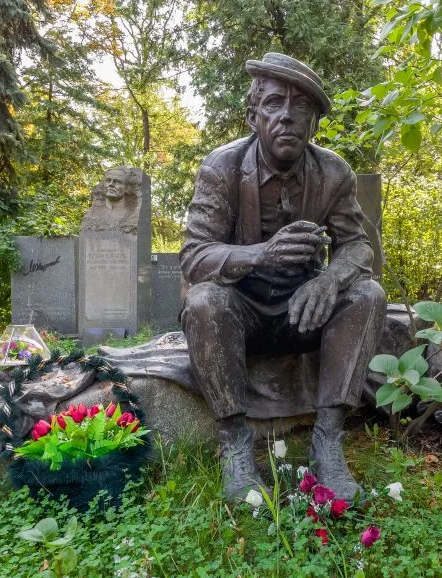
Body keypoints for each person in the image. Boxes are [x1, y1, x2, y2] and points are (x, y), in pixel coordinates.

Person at [180, 53, 386, 502]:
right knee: (203, 301)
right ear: (254, 115)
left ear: (313, 122)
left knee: (368, 294)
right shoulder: (223, 167)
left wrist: (329, 280)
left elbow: (357, 245)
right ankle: (235, 446)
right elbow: (195, 256)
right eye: (274, 103)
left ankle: (327, 440)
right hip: (243, 310)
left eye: (302, 108)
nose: (288, 116)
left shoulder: (334, 173)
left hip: (304, 311)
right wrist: (259, 255)